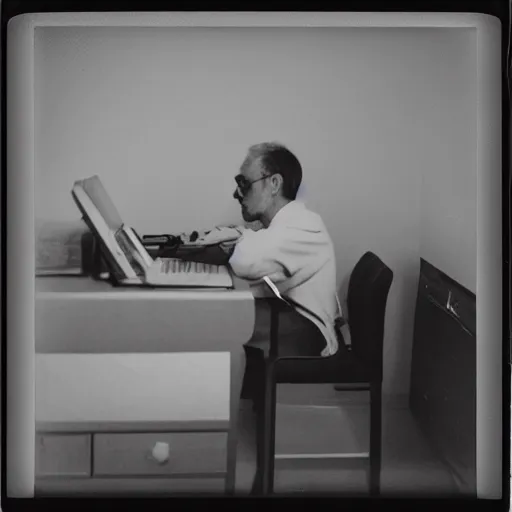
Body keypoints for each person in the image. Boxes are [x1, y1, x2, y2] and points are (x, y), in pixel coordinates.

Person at [196, 143, 342, 372]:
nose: (237, 193)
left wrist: (233, 235)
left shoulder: (305, 226)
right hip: (290, 318)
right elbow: (258, 252)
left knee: (213, 323)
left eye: (244, 183)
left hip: (310, 332)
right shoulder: (284, 227)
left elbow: (248, 261)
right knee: (216, 315)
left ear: (274, 184)